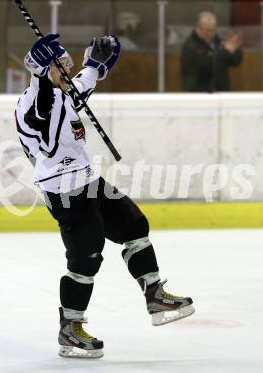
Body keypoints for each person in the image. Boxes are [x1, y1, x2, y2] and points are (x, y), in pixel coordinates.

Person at [15, 33, 195, 358]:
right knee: (86, 258)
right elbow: (42, 127)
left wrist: (96, 65)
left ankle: (154, 294)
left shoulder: (62, 93)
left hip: (87, 181)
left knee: (135, 225)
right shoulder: (33, 103)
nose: (67, 71)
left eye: (68, 65)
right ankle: (70, 328)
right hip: (64, 191)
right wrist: (42, 77)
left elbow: (80, 86)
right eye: (60, 67)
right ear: (43, 71)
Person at [180, 11, 243, 92]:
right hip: (199, 93)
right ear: (198, 27)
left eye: (212, 30)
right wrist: (225, 51)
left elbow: (235, 62)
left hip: (221, 91)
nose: (210, 34)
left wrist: (235, 49)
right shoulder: (190, 46)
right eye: (207, 30)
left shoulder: (217, 40)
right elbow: (206, 64)